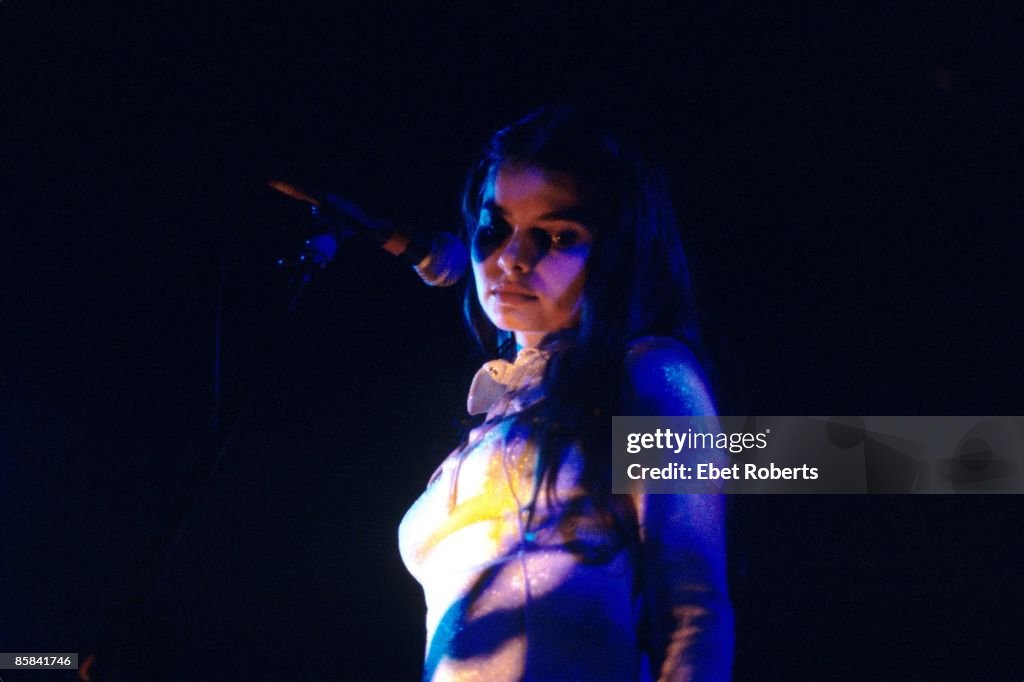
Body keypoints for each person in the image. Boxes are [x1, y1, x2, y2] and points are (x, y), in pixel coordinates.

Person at [399, 106, 733, 681]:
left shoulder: (647, 372)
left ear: (615, 252)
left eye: (556, 235)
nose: (512, 258)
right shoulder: (490, 418)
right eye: (495, 227)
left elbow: (692, 610)